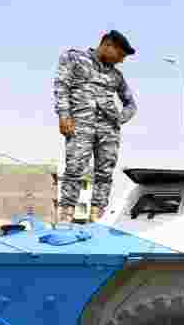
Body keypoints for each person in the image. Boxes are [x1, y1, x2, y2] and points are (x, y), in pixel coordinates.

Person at [53, 30, 137, 223]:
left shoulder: (116, 76)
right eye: (121, 55)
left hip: (108, 131)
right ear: (108, 45)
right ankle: (66, 218)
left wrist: (119, 119)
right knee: (74, 169)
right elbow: (61, 86)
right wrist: (64, 115)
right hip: (80, 125)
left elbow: (131, 104)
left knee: (104, 173)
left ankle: (97, 219)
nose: (122, 60)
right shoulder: (74, 58)